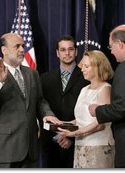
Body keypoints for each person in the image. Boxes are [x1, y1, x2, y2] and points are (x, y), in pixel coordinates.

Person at [0, 33, 61, 168]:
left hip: (30, 148)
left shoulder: (32, 73)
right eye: (17, 46)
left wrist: (48, 113)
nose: (22, 50)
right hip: (6, 150)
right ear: (4, 50)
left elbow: (40, 100)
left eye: (23, 46)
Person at [88, 24, 125, 168]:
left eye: (111, 47)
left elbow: (121, 108)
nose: (112, 52)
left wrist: (97, 110)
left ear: (120, 44)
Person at [58, 50, 115, 168]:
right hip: (80, 146)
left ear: (98, 67)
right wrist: (62, 124)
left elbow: (100, 124)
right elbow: (80, 119)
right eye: (82, 66)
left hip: (98, 146)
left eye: (86, 66)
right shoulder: (85, 89)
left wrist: (74, 133)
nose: (82, 69)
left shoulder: (105, 89)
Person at [40, 35, 89, 168]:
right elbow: (41, 107)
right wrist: (57, 135)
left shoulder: (87, 77)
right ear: (57, 53)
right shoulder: (44, 78)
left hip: (78, 142)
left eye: (70, 49)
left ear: (76, 51)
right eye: (63, 50)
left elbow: (88, 114)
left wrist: (71, 137)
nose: (67, 53)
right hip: (51, 144)